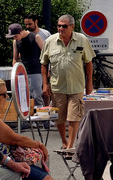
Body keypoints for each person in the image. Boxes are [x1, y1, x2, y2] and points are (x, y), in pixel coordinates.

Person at [40, 15, 95, 150]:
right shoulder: (50, 41)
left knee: (74, 116)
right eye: (59, 25)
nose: (60, 28)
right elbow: (44, 64)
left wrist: (89, 83)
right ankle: (64, 141)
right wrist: (45, 84)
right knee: (59, 118)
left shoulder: (82, 40)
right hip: (57, 86)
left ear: (72, 27)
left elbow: (88, 63)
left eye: (64, 26)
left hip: (76, 86)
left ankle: (70, 145)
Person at [9, 22, 45, 107]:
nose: (15, 38)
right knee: (23, 96)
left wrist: (47, 71)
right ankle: (25, 118)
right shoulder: (15, 42)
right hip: (22, 72)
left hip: (36, 71)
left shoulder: (35, 37)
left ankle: (42, 119)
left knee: (37, 96)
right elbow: (15, 58)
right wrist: (14, 72)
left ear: (21, 32)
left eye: (15, 36)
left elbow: (45, 53)